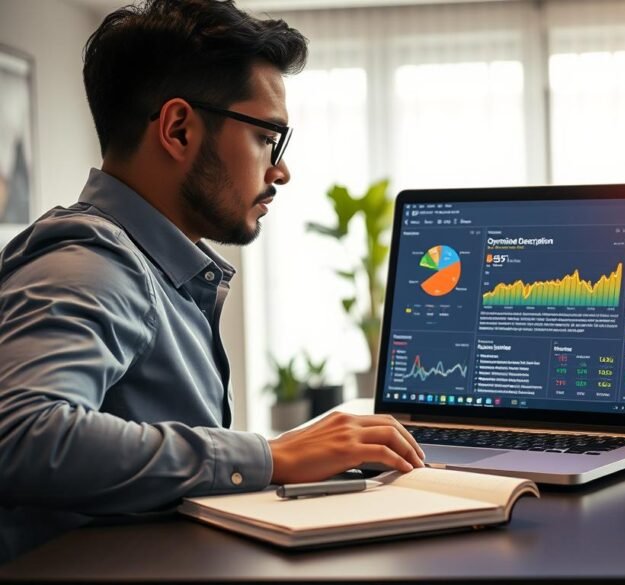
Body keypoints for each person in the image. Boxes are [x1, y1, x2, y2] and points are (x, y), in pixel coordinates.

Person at [0, 0, 423, 561]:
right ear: (178, 129)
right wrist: (270, 458)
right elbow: (23, 436)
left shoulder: (155, 267)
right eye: (267, 137)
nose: (281, 169)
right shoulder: (93, 259)